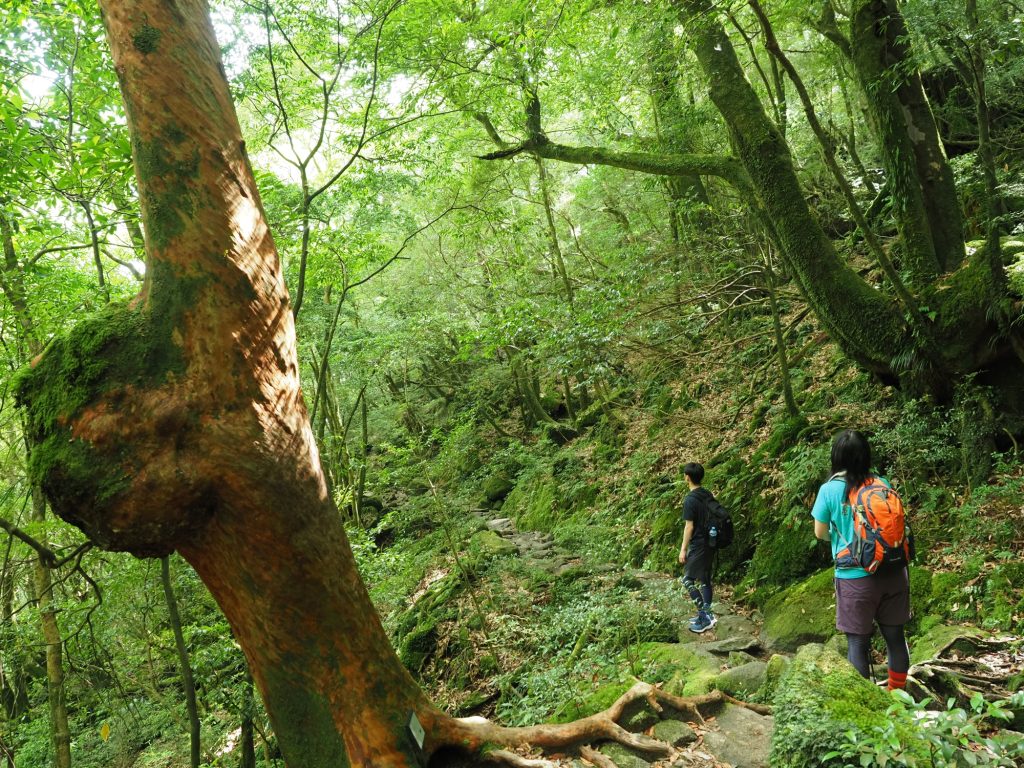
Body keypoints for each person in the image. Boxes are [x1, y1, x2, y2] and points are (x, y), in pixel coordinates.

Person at [811, 429, 911, 690]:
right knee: (896, 638)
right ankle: (897, 699)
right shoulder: (882, 484)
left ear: (836, 457)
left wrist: (841, 534)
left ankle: (867, 706)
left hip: (855, 577)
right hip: (893, 571)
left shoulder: (829, 490)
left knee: (857, 643)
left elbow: (820, 533)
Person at [678, 462, 717, 633]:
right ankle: (707, 615)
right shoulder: (707, 494)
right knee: (705, 579)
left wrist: (683, 549)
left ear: (687, 477)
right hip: (711, 542)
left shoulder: (690, 500)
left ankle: (704, 617)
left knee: (687, 580)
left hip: (699, 544)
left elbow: (689, 527)